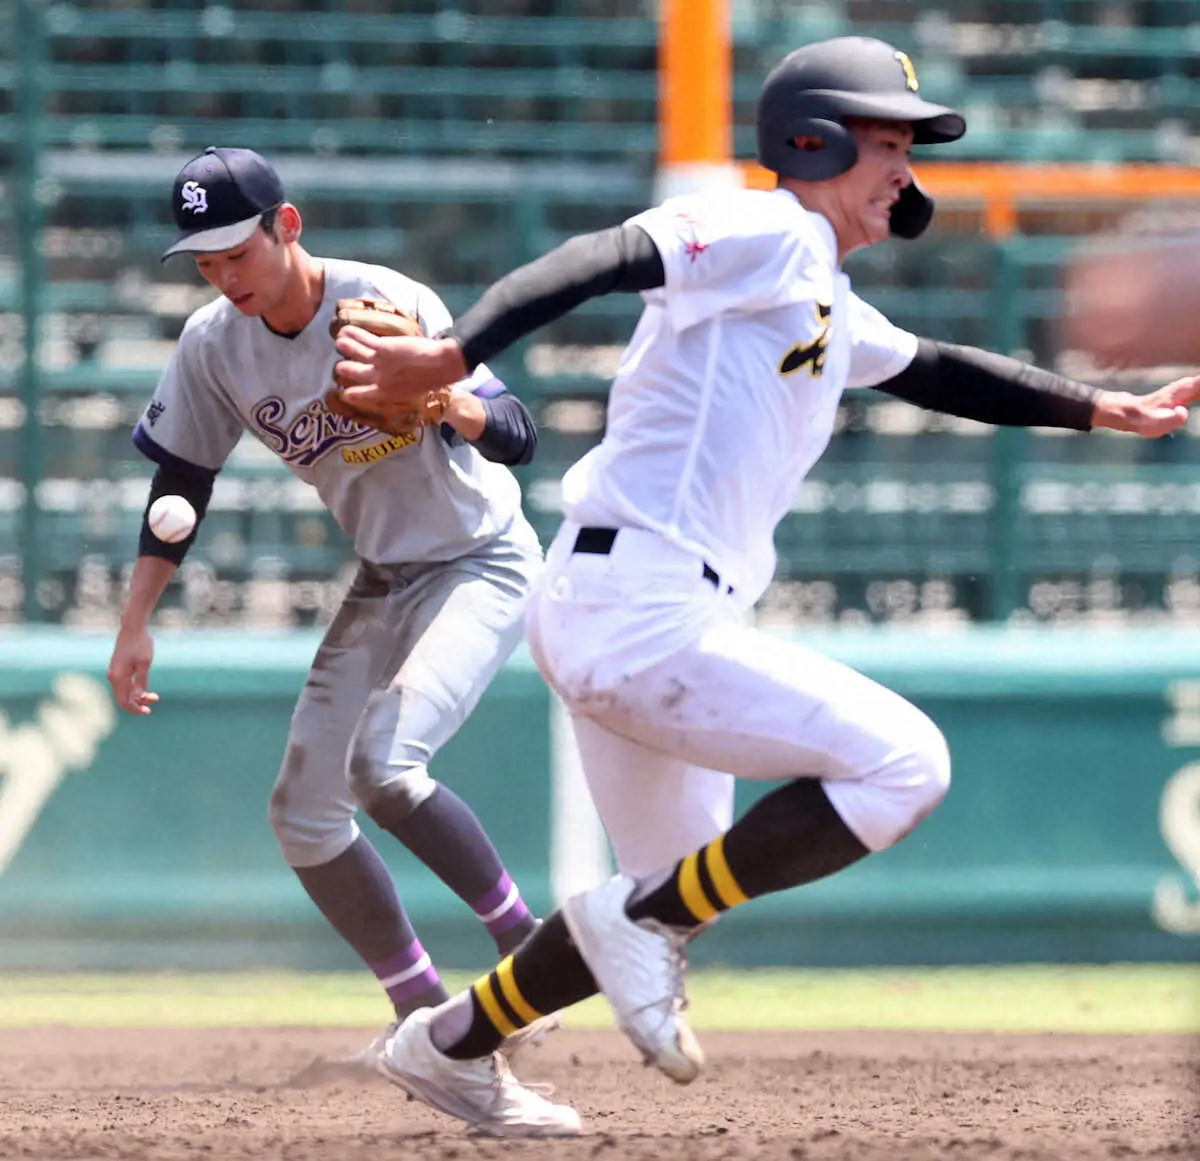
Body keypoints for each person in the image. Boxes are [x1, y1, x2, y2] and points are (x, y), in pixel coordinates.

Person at [330, 37, 1200, 1137]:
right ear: (816, 139)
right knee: (901, 765)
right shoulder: (767, 228)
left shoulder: (816, 287)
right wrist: (448, 362)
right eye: (887, 142)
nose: (906, 167)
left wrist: (1096, 409)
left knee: (659, 901)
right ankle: (619, 928)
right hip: (637, 605)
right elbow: (598, 258)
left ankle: (450, 1044)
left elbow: (935, 368)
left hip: (638, 607)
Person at [106, 146, 560, 1081]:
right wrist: (134, 621)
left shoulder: (387, 301)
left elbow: (518, 431)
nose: (224, 275)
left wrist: (444, 399)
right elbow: (181, 479)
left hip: (483, 560)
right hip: (384, 577)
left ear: (289, 224)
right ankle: (430, 1022)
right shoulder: (211, 345)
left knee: (385, 768)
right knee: (305, 815)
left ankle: (536, 950)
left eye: (238, 250)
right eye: (206, 260)